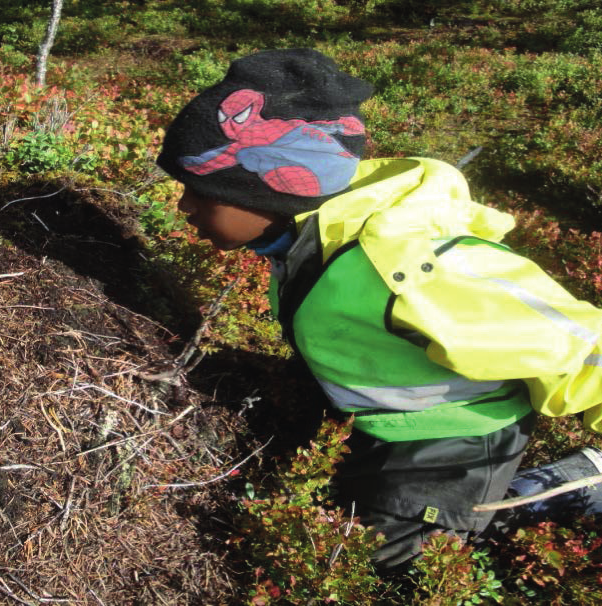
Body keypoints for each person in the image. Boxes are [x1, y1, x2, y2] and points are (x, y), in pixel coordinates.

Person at [156, 48, 602, 571]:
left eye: (200, 193)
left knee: (381, 571)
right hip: (378, 422)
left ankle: (558, 490)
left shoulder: (405, 266)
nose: (184, 207)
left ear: (265, 192)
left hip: (453, 441)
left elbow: (576, 341)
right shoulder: (305, 239)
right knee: (335, 528)